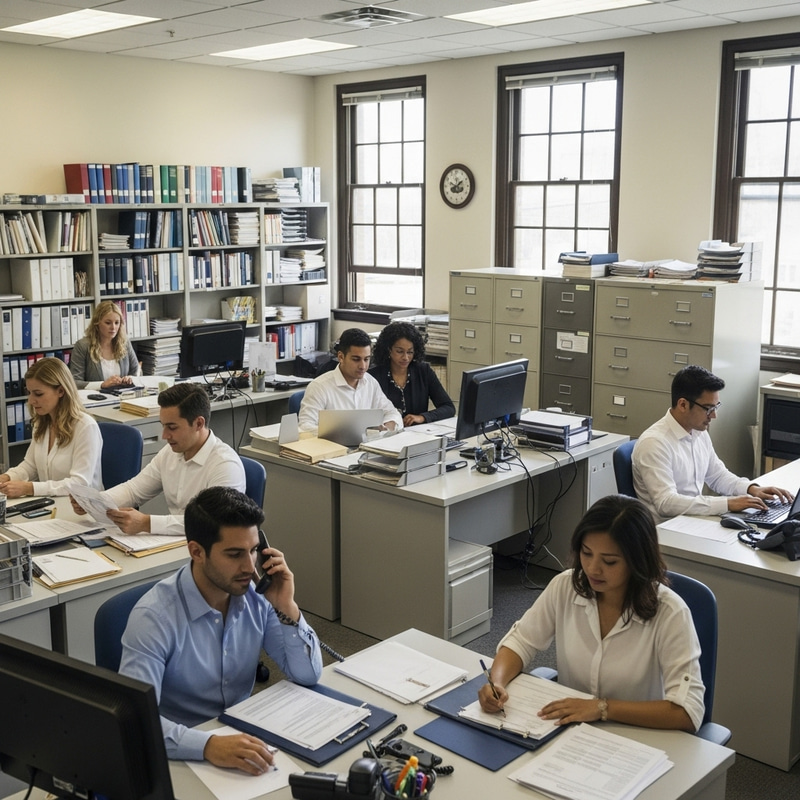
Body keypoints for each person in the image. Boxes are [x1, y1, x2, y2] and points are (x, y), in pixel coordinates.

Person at [119, 486, 323, 769]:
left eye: (253, 550)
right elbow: (138, 722)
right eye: (234, 554)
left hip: (243, 741)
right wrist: (207, 745)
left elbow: (307, 674)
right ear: (197, 552)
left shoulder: (258, 598)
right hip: (179, 753)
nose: (249, 567)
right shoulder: (153, 618)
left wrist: (287, 606)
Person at [478, 495, 705, 733]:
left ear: (638, 561)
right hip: (570, 729)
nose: (593, 569)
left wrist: (602, 708)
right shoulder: (565, 586)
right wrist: (497, 682)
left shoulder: (670, 612)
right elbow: (520, 642)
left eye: (610, 562)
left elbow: (688, 712)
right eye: (586, 553)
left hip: (638, 734)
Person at [71, 382, 244, 535]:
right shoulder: (170, 453)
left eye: (172, 427)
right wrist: (95, 501)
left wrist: (147, 523)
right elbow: (134, 490)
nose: (164, 435)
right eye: (163, 426)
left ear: (199, 423)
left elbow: (212, 523)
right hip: (177, 543)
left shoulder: (225, 465)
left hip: (207, 548)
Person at [632, 365, 792, 521]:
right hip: (666, 529)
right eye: (708, 409)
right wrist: (728, 503)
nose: (714, 416)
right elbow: (666, 503)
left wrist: (751, 489)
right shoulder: (654, 443)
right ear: (683, 405)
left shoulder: (698, 431)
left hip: (693, 519)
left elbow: (717, 476)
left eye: (716, 407)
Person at [0, 357, 102, 497]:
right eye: (29, 393)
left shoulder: (85, 427)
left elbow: (79, 484)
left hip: (81, 505)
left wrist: (30, 488)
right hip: (51, 502)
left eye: (38, 394)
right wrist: (7, 477)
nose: (31, 400)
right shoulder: (42, 422)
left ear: (61, 391)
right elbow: (31, 466)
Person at [298, 327, 402, 433]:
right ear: (341, 357)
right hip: (333, 443)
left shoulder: (370, 382)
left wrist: (388, 426)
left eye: (366, 359)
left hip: (369, 442)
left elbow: (392, 413)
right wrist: (343, 432)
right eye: (356, 359)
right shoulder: (319, 387)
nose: (363, 366)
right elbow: (305, 427)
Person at [369, 321, 455, 427]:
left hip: (417, 432)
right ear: (388, 350)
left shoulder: (423, 371)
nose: (405, 357)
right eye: (400, 351)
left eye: (410, 352)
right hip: (386, 432)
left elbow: (448, 407)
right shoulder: (373, 376)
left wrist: (423, 417)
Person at [69, 300, 140, 390]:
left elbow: (136, 370)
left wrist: (130, 379)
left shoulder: (125, 343)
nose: (113, 327)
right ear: (97, 323)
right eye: (108, 323)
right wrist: (102, 385)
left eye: (117, 323)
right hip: (95, 397)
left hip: (123, 395)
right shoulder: (82, 346)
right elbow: (75, 382)